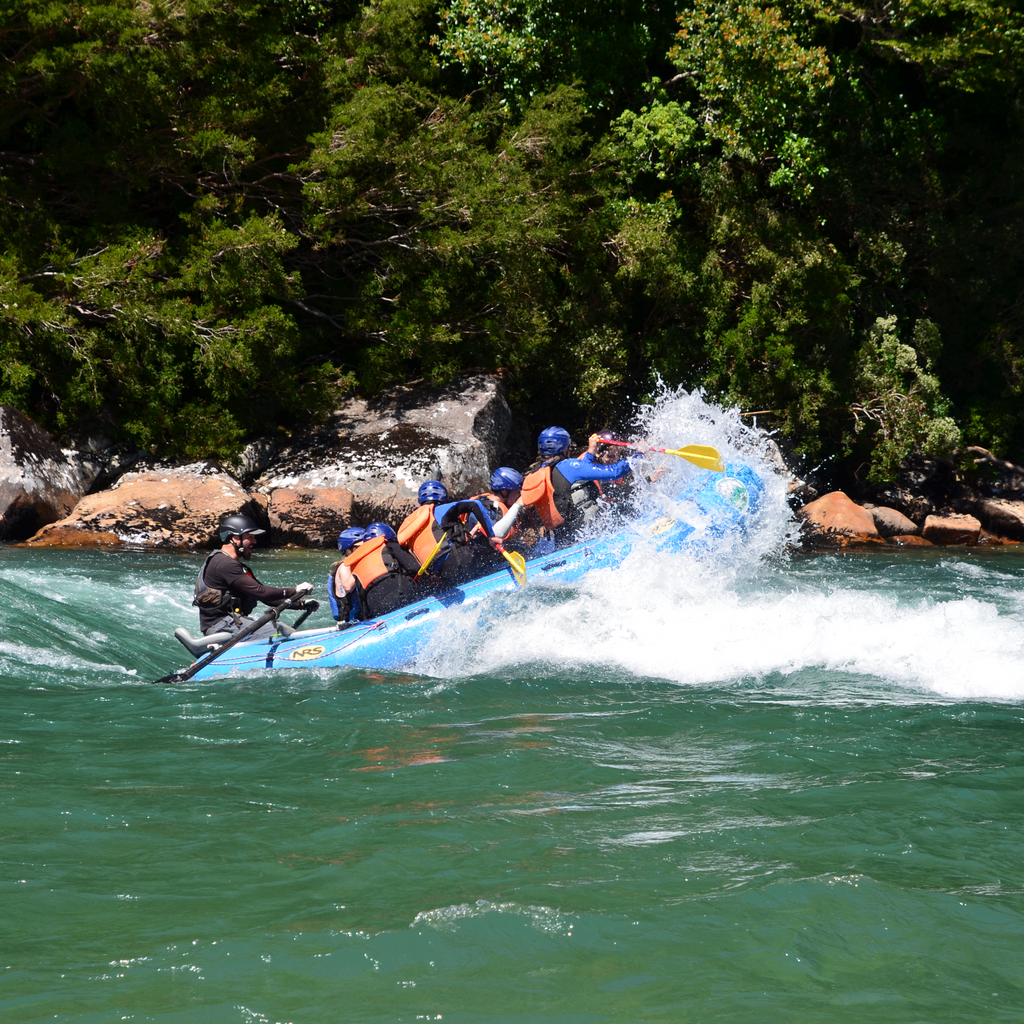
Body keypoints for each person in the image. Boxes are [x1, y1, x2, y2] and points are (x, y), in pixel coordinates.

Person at [194, 514, 312, 639]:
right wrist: (295, 590)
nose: (254, 541)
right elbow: (261, 592)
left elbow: (264, 597)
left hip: (234, 623)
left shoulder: (238, 567)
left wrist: (300, 605)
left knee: (284, 631)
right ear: (235, 538)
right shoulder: (224, 564)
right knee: (281, 634)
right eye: (250, 537)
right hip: (221, 627)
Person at [517, 426, 638, 541]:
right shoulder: (568, 466)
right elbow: (614, 472)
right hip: (585, 535)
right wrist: (639, 455)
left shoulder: (537, 471)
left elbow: (578, 474)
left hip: (564, 538)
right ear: (564, 449)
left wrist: (590, 452)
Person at [397, 480, 503, 586]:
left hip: (442, 574)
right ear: (443, 498)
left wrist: (469, 536)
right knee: (492, 554)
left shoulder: (412, 526)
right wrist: (491, 536)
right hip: (460, 559)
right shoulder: (441, 509)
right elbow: (475, 504)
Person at [328, 523, 421, 622]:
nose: (366, 549)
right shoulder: (345, 565)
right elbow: (347, 586)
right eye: (360, 547)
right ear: (348, 550)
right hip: (352, 619)